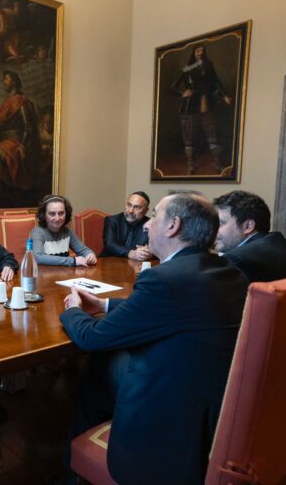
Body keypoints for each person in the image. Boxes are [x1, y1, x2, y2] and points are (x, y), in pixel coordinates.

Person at [60, 192, 249, 484]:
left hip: (168, 414)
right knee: (105, 365)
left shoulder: (164, 279)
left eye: (155, 216)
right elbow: (173, 312)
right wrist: (104, 305)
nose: (147, 225)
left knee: (97, 367)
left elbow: (92, 337)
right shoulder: (226, 270)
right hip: (213, 403)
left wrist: (73, 310)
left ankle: (73, 471)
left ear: (173, 225)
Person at [213, 190, 286, 282]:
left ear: (248, 226)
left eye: (220, 223)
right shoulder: (282, 244)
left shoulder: (238, 259)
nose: (213, 229)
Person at [169, 43, 233, 175]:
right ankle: (190, 165)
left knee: (212, 132)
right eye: (198, 50)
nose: (200, 53)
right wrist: (182, 94)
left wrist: (224, 95)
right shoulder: (187, 68)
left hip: (206, 102)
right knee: (189, 136)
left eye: (202, 50)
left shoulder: (208, 65)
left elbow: (216, 81)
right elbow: (171, 88)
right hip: (189, 105)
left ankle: (217, 163)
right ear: (194, 52)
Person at [0, 70, 39, 198]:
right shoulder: (7, 102)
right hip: (6, 143)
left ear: (14, 82)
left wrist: (22, 145)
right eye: (4, 78)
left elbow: (28, 126)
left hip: (16, 143)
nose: (4, 81)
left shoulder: (21, 102)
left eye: (7, 78)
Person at [29, 194, 96, 267]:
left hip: (64, 274)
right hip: (42, 276)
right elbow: (38, 257)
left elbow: (83, 250)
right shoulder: (38, 232)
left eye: (61, 213)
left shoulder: (67, 231)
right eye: (52, 214)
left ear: (66, 214)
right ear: (44, 215)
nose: (57, 218)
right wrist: (73, 261)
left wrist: (90, 255)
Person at [100, 191, 152, 260]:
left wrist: (149, 254)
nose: (131, 211)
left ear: (146, 210)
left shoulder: (151, 225)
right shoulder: (112, 221)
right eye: (129, 205)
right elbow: (109, 244)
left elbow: (158, 248)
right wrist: (130, 253)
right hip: (110, 261)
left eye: (137, 207)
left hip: (137, 265)